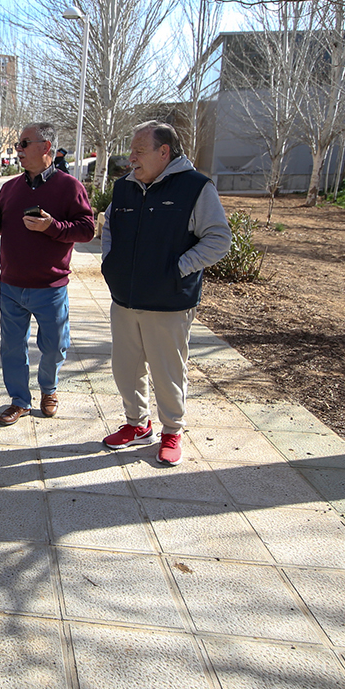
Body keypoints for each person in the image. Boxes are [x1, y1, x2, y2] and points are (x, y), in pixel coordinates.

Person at [100, 122, 230, 465]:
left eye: (139, 151)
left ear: (164, 152)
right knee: (125, 369)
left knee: (167, 371)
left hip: (169, 302)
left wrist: (176, 269)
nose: (131, 159)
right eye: (132, 151)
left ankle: (172, 430)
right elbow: (110, 226)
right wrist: (110, 263)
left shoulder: (196, 188)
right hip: (125, 299)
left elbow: (218, 239)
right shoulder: (124, 188)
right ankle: (137, 424)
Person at [0, 122, 94, 426]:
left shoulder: (70, 187)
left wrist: (52, 227)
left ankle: (49, 389)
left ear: (46, 147)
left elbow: (87, 229)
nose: (17, 150)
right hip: (11, 285)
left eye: (24, 144)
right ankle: (20, 400)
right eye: (18, 145)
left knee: (55, 345)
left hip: (50, 287)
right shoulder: (10, 188)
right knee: (12, 347)